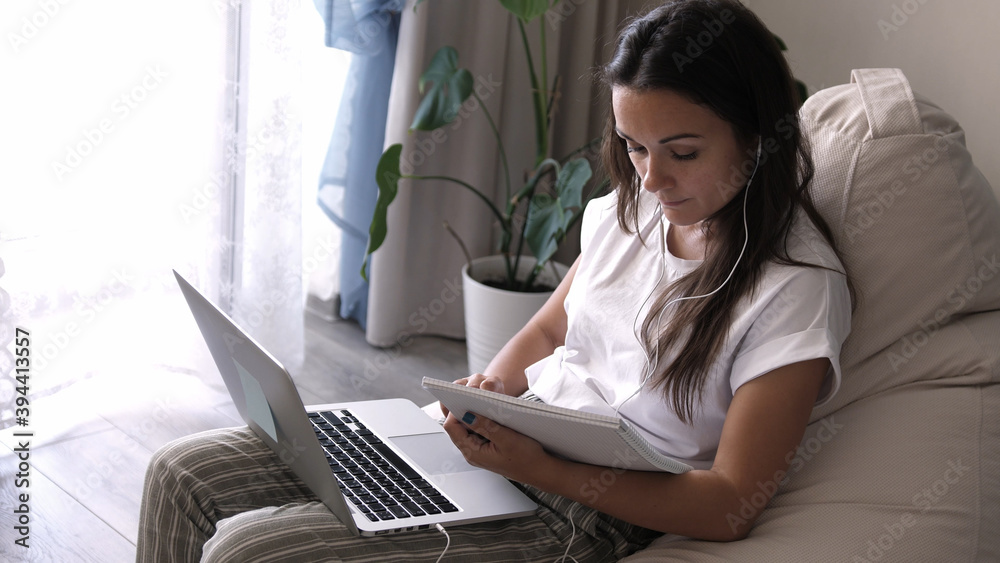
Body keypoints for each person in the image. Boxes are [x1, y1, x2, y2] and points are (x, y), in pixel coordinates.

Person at [136, 0, 853, 560]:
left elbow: (730, 504)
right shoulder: (628, 214)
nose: (651, 176)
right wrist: (490, 392)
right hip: (514, 445)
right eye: (634, 147)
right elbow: (552, 325)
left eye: (683, 151)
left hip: (588, 516)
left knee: (248, 551)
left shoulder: (792, 288)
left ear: (760, 136)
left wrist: (537, 466)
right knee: (179, 472)